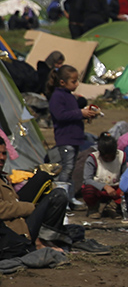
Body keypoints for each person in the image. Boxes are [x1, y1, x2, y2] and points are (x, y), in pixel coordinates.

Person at [47, 65, 98, 196]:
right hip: (65, 138)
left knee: (71, 168)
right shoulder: (57, 96)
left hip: (74, 138)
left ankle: (69, 196)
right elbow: (61, 115)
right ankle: (61, 196)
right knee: (67, 168)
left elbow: (71, 114)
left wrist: (86, 115)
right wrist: (80, 113)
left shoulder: (69, 95)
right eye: (73, 81)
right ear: (62, 82)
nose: (77, 84)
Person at [81, 132, 125, 218]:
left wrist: (124, 186)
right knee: (88, 190)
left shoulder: (121, 156)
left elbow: (126, 175)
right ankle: (93, 209)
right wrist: (105, 186)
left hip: (116, 188)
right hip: (98, 189)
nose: (108, 160)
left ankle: (112, 207)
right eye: (105, 158)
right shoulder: (93, 158)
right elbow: (87, 179)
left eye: (111, 157)